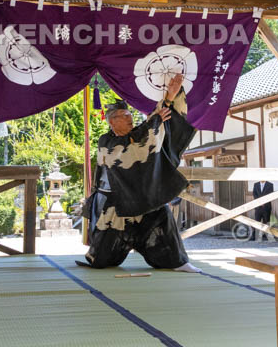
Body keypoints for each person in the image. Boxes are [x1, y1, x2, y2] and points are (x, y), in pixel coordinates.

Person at [79, 74, 200, 272]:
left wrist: (170, 98)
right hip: (114, 202)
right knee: (103, 256)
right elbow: (136, 143)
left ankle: (178, 261)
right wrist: (160, 112)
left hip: (140, 198)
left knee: (163, 217)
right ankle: (99, 257)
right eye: (124, 116)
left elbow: (149, 128)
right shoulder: (105, 142)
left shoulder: (137, 134)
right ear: (112, 122)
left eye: (130, 116)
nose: (130, 119)